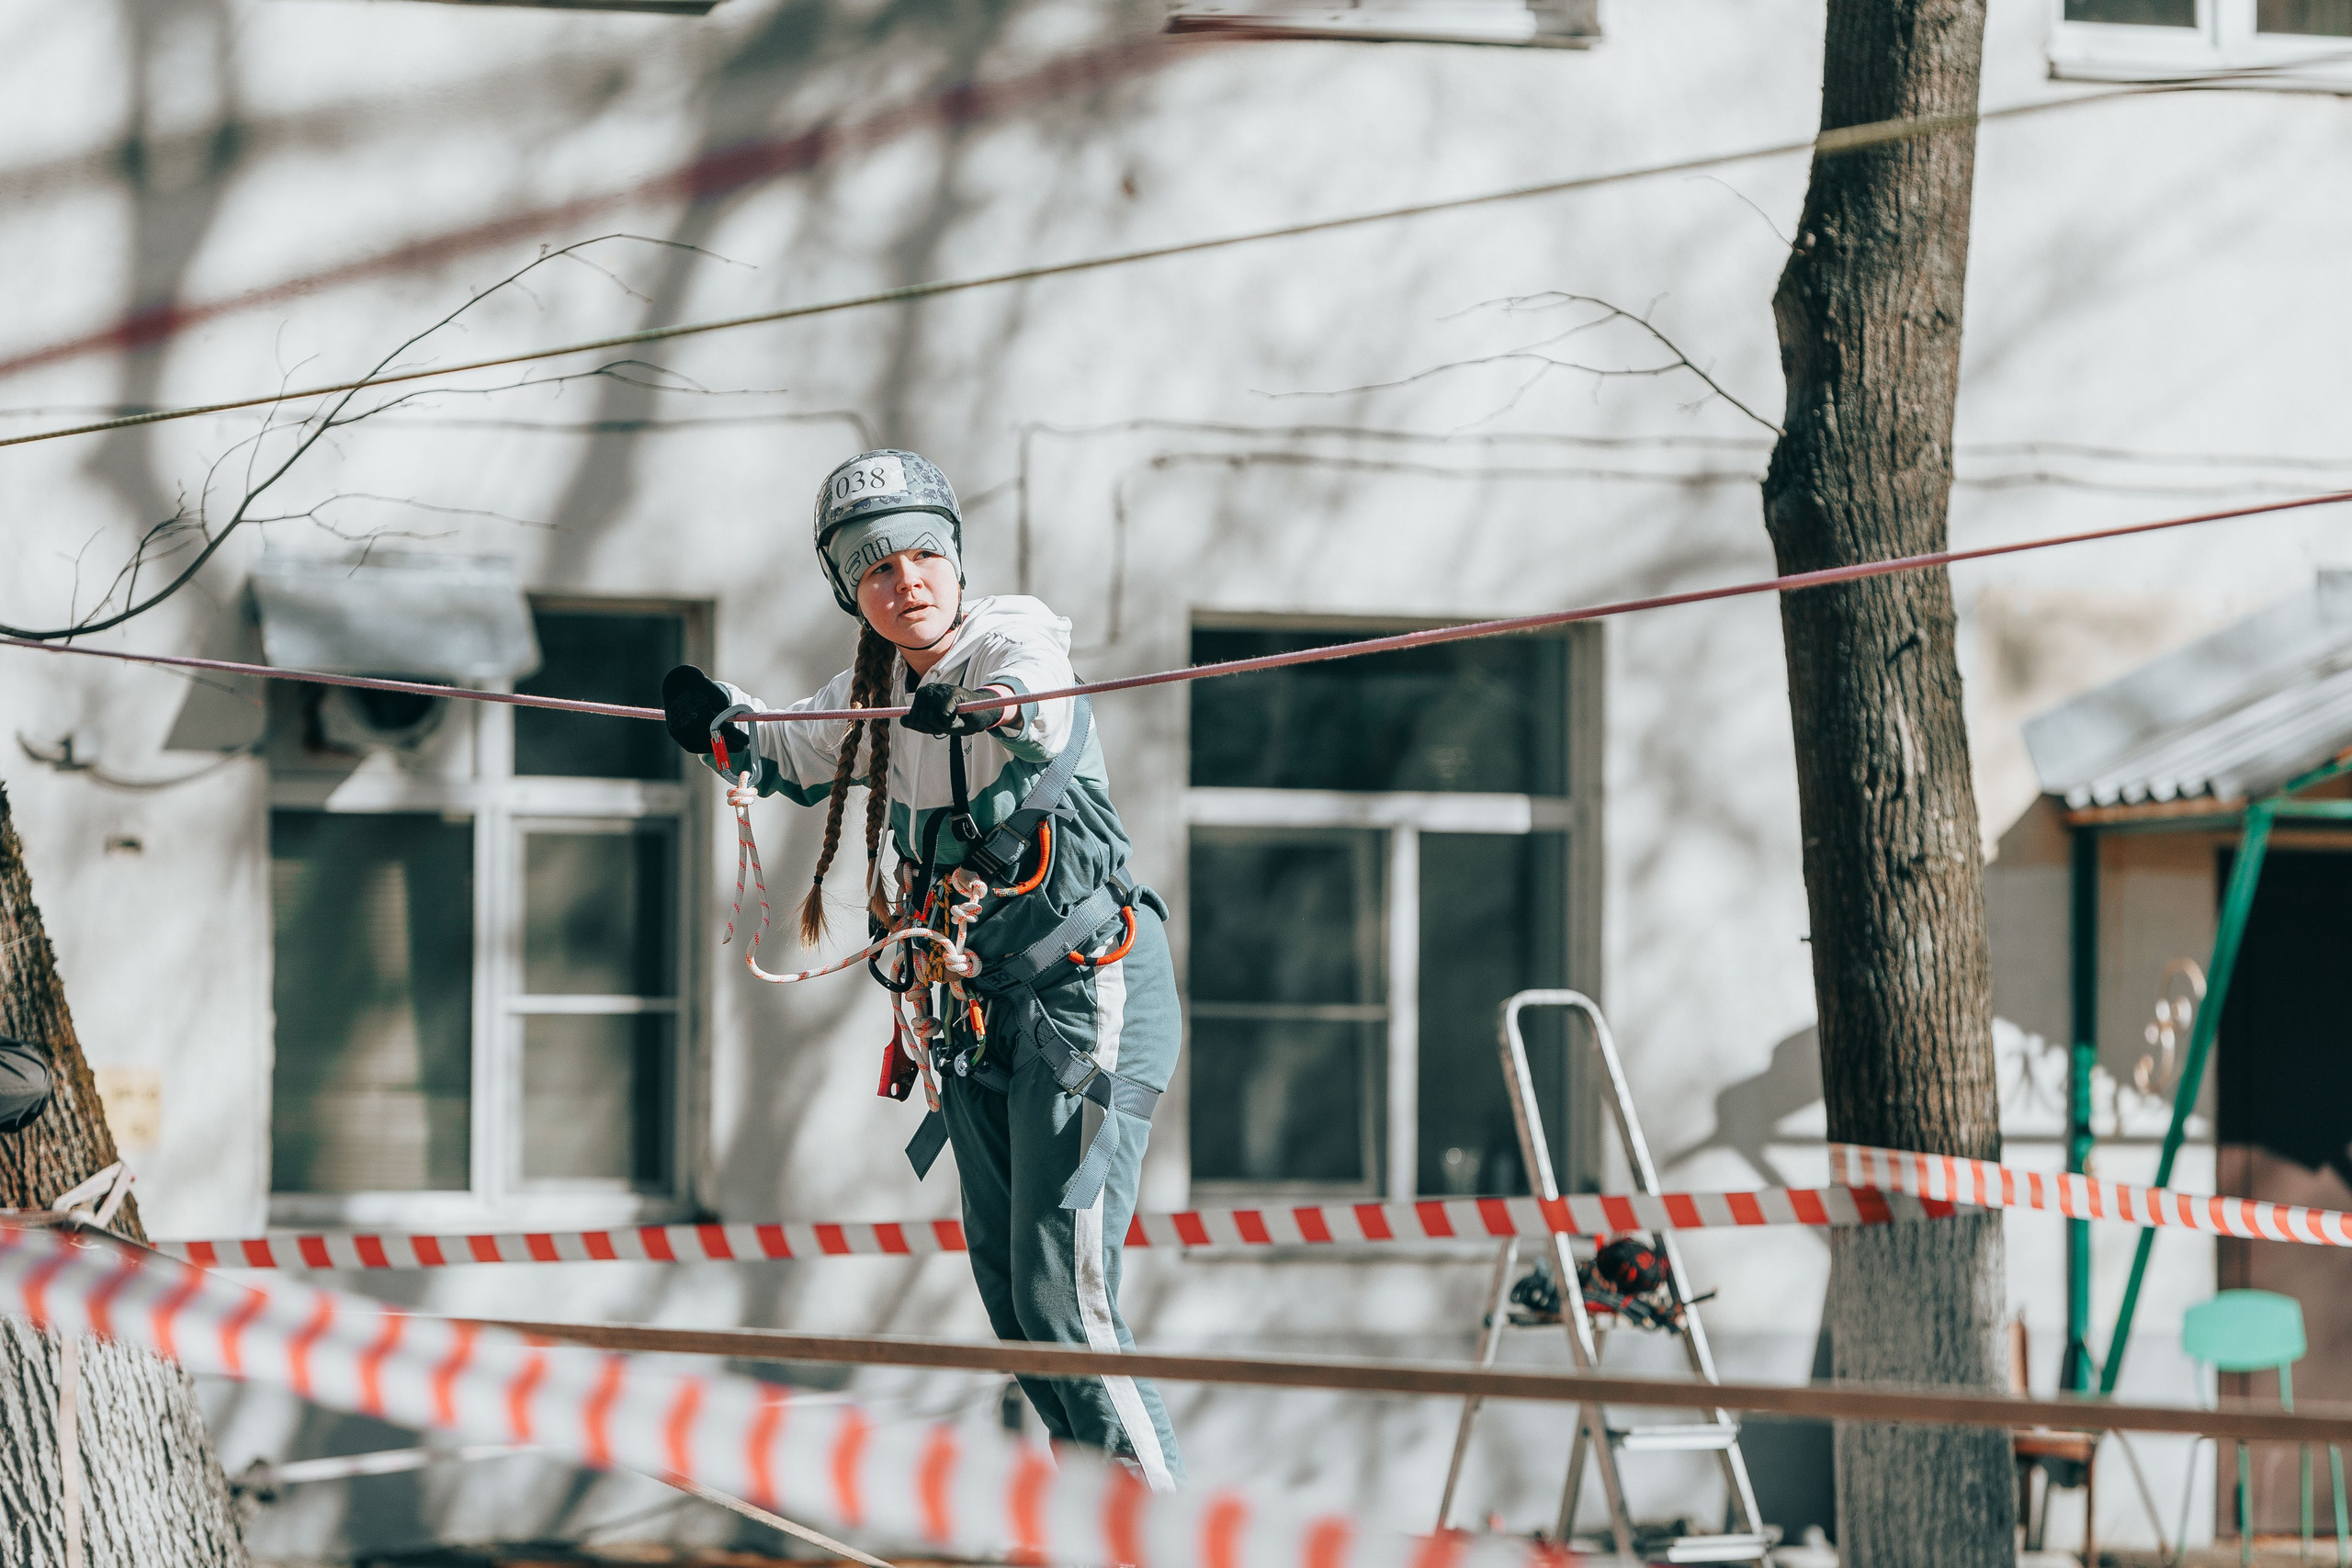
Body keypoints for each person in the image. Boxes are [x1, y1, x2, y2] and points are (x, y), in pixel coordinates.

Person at [662, 448, 1182, 1489]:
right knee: (1013, 1297)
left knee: (1066, 1293)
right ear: (851, 591)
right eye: (875, 568)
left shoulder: (1009, 636)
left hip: (1088, 1001)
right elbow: (785, 749)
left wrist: (984, 707)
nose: (906, 582)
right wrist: (723, 721)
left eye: (922, 556)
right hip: (982, 1021)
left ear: (955, 560)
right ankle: (1107, 1524)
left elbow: (1032, 698)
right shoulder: (877, 689)